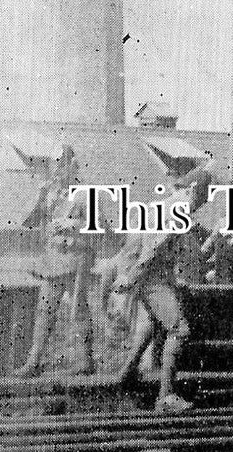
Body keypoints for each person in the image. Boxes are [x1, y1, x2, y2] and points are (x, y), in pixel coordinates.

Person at [107, 167, 213, 412]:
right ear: (194, 191)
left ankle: (126, 373)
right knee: (180, 329)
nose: (201, 205)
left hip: (153, 278)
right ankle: (165, 396)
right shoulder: (177, 212)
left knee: (155, 324)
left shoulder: (163, 206)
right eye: (202, 199)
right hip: (152, 280)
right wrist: (132, 278)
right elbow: (152, 250)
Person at [16, 146, 97, 377]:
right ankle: (34, 361)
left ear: (73, 167)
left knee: (78, 309)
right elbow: (29, 222)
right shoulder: (51, 193)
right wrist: (40, 197)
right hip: (54, 260)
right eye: (56, 165)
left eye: (63, 165)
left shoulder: (84, 194)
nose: (58, 170)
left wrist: (74, 225)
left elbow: (100, 228)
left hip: (76, 259)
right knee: (45, 309)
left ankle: (85, 360)